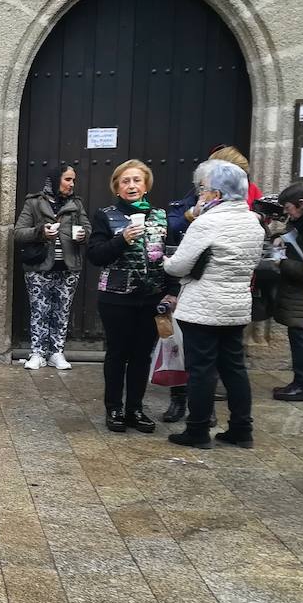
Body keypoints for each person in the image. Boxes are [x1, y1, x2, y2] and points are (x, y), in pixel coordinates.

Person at [162, 160, 265, 448]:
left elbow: (179, 266)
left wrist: (166, 261)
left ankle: (197, 430)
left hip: (203, 308)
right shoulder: (253, 222)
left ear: (216, 194)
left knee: (201, 370)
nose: (201, 194)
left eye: (203, 189)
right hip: (236, 306)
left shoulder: (207, 222)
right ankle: (241, 429)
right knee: (234, 368)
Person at [87, 159, 173, 434]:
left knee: (141, 355)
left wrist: (172, 291)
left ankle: (135, 408)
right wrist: (121, 239)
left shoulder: (161, 216)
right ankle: (114, 408)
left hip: (151, 297)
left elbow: (171, 256)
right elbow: (95, 255)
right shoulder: (105, 215)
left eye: (137, 180)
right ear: (117, 188)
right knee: (117, 353)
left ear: (146, 186)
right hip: (115, 298)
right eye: (125, 181)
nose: (131, 185)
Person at [12, 162, 90, 371]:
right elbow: (18, 232)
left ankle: (56, 353)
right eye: (67, 179)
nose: (71, 184)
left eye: (73, 180)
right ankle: (37, 353)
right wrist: (40, 232)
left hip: (68, 267)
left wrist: (83, 235)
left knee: (62, 312)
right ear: (56, 180)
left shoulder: (76, 204)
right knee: (39, 311)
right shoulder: (34, 203)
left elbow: (88, 229)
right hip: (39, 267)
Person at [269, 181, 303, 402]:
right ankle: (300, 382)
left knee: (301, 339)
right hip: (296, 294)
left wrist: (281, 262)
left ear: (301, 204)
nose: (286, 213)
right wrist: (277, 238)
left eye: (288, 207)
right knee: (297, 337)